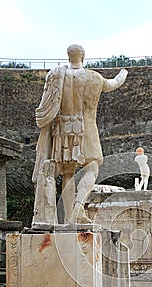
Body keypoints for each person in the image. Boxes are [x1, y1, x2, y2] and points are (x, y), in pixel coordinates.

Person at [32, 44, 128, 225]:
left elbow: (46, 106)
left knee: (68, 173)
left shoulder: (57, 76)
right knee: (92, 167)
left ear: (68, 56)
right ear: (83, 56)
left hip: (63, 129)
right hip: (87, 127)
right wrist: (124, 72)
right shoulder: (94, 77)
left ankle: (70, 218)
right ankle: (78, 207)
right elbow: (114, 83)